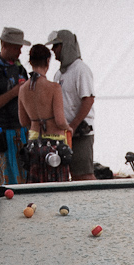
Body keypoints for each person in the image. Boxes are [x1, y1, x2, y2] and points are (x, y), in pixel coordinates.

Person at [0, 27, 30, 186]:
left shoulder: (20, 68)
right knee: (7, 180)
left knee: (25, 175)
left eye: (20, 48)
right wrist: (13, 93)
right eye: (16, 47)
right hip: (4, 131)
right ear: (4, 45)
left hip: (22, 130)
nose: (20, 52)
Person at [18, 44, 72, 183]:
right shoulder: (54, 88)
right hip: (54, 147)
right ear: (48, 61)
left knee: (37, 191)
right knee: (58, 192)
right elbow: (60, 120)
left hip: (33, 145)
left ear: (30, 62)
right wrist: (69, 127)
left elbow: (23, 121)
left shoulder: (23, 89)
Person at [45, 30, 95, 181]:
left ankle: (96, 202)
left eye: (56, 46)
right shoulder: (58, 74)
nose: (53, 50)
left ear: (66, 45)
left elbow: (88, 100)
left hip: (81, 133)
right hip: (65, 133)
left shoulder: (81, 69)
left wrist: (72, 126)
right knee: (70, 174)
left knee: (83, 174)